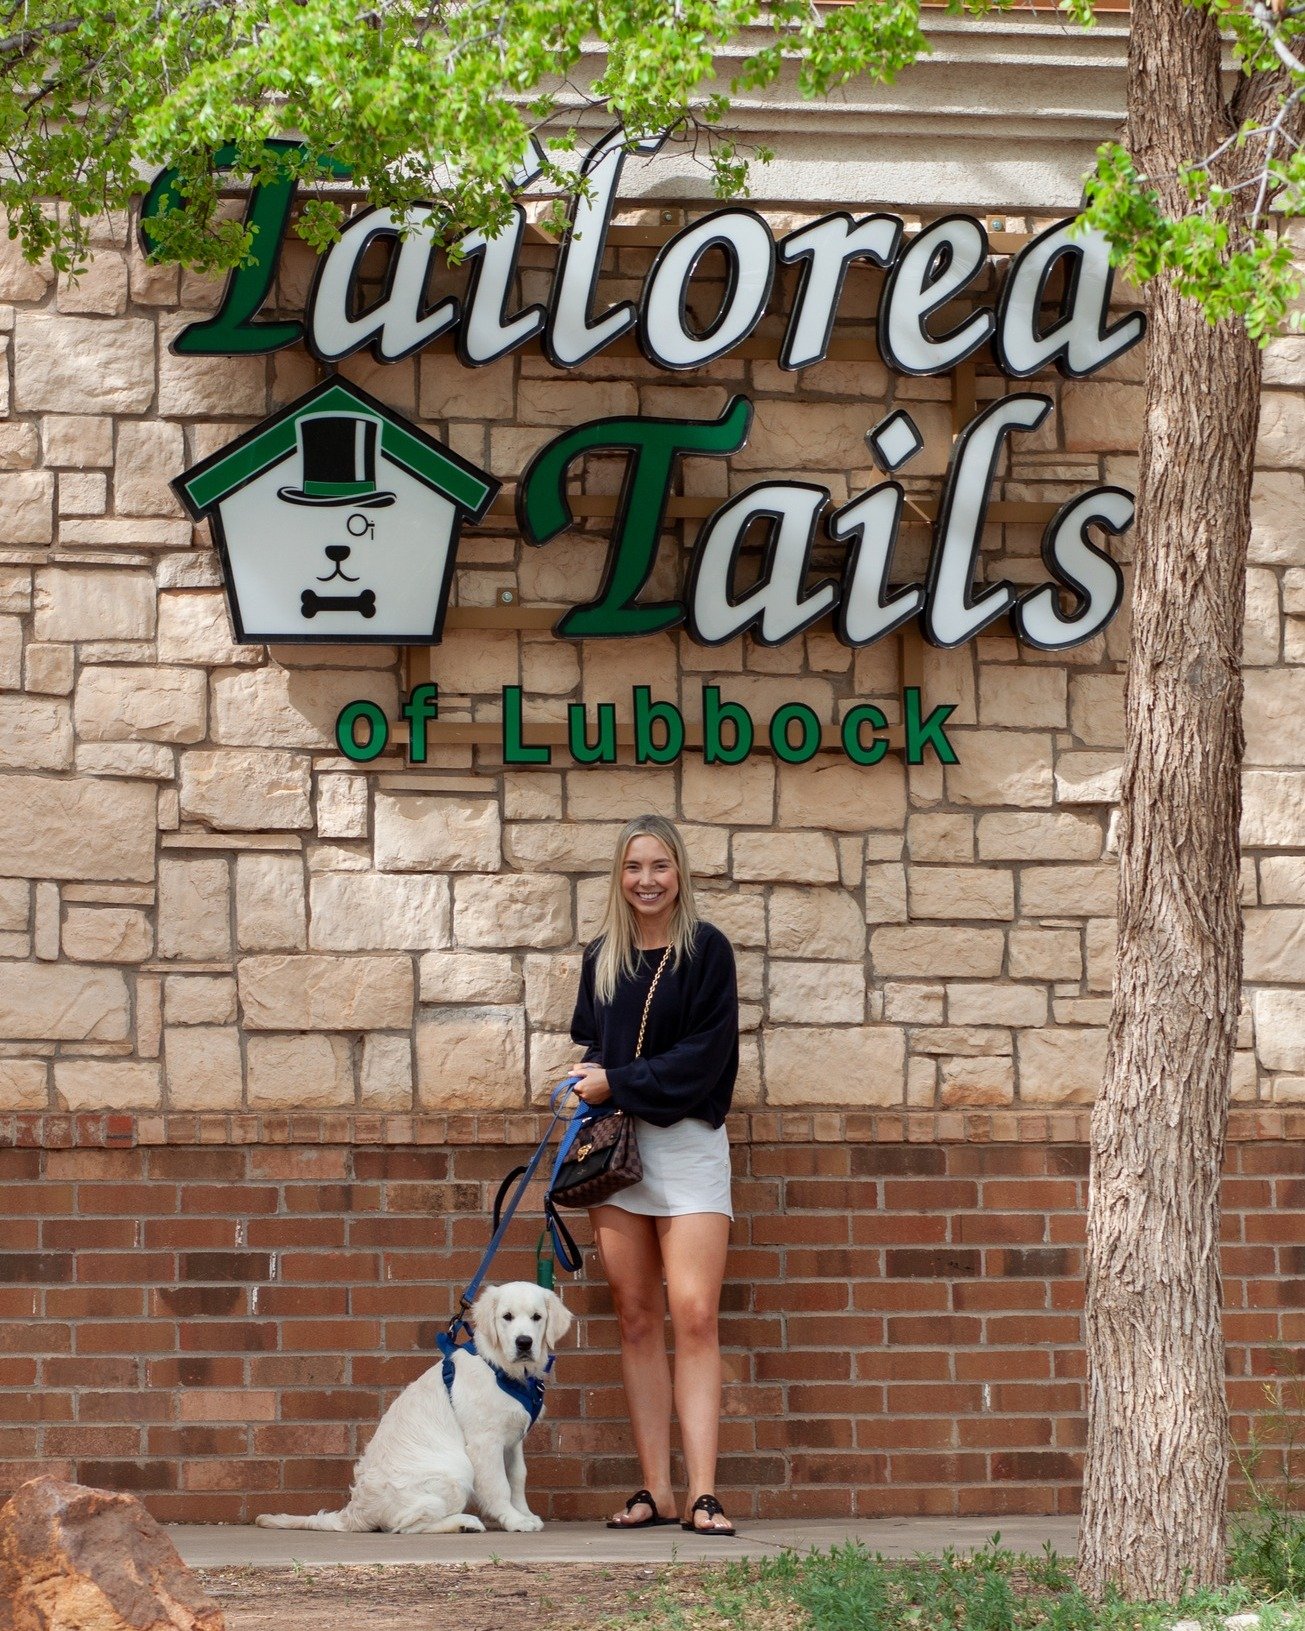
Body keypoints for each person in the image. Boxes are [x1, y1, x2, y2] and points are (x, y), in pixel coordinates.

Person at [567, 812, 740, 1537]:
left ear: (679, 872)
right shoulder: (602, 956)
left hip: (689, 1144)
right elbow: (589, 1044)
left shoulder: (706, 951)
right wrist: (583, 1081)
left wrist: (616, 1081)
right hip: (618, 1152)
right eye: (634, 866)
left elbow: (707, 1057)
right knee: (635, 1318)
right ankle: (655, 1489)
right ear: (620, 874)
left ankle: (704, 1492)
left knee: (694, 1315)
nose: (646, 879)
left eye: (659, 865)